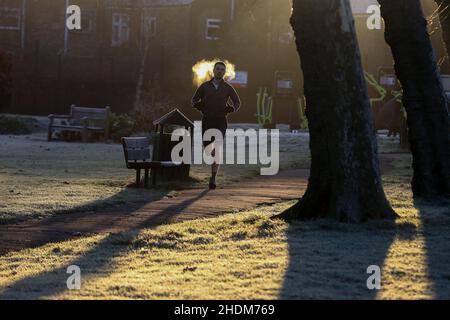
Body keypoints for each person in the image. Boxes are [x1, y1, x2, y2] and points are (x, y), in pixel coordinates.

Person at [191, 61, 241, 189]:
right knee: (209, 151)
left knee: (216, 149)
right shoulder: (204, 86)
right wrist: (198, 106)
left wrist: (231, 109)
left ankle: (213, 179)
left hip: (221, 121)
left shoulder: (228, 88)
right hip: (207, 120)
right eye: (218, 69)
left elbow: (237, 102)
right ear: (213, 70)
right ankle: (212, 170)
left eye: (222, 70)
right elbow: (194, 99)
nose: (220, 71)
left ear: (225, 72)